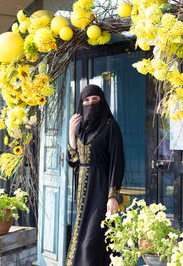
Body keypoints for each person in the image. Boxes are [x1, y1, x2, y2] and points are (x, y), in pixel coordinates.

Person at [65, 84, 125, 266]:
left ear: (102, 101)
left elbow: (118, 162)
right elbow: (73, 161)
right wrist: (71, 133)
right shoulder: (81, 129)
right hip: (83, 193)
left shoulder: (110, 126)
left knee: (89, 243)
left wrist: (113, 196)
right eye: (86, 100)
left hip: (101, 191)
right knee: (88, 240)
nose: (90, 103)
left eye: (95, 100)